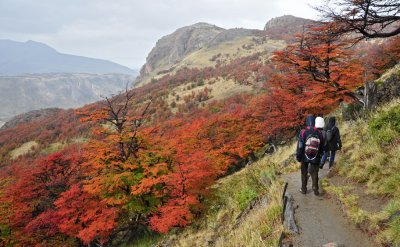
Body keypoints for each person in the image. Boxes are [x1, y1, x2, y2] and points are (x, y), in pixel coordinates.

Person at [296, 115, 325, 196]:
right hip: (315, 156)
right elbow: (322, 146)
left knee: (304, 173)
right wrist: (320, 155)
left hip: (304, 156)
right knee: (315, 172)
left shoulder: (303, 132)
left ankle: (304, 189)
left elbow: (300, 146)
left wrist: (298, 157)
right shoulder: (319, 133)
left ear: (307, 122)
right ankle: (315, 188)